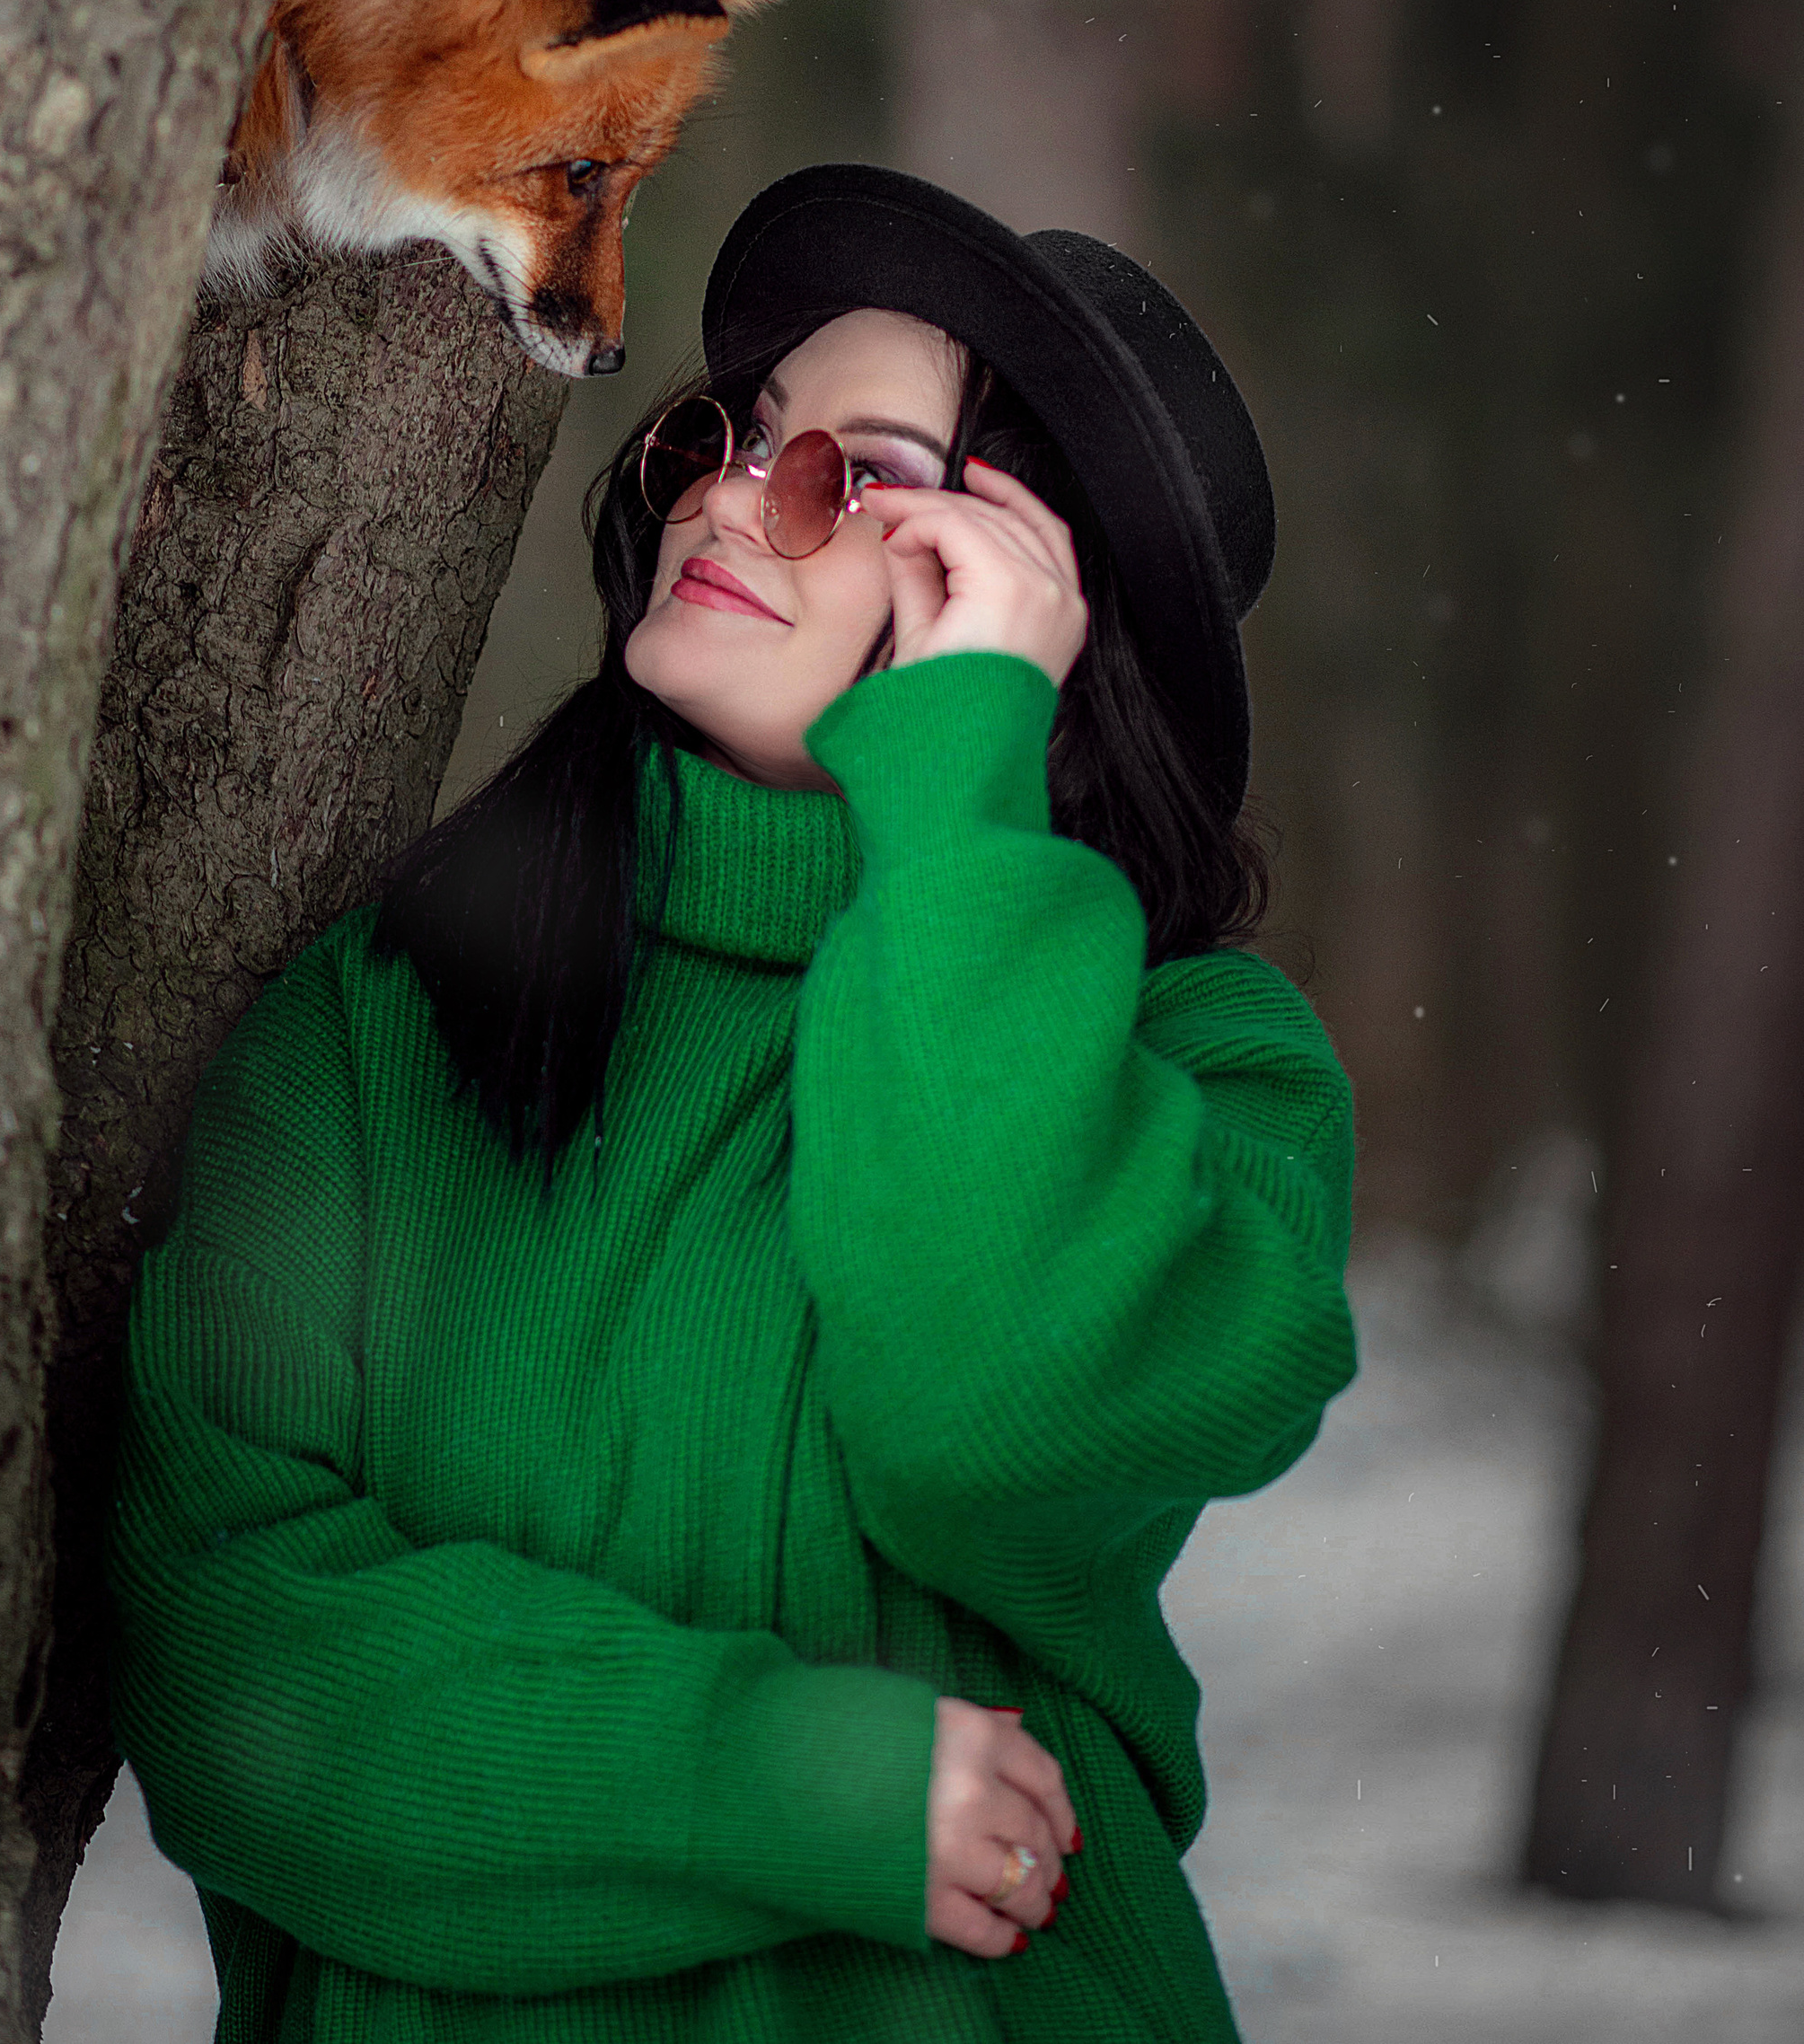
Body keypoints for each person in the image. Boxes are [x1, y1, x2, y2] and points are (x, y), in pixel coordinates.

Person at [109, 163, 1359, 2042]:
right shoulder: (392, 1012)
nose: (720, 486)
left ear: (1029, 615)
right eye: (735, 427)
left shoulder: (1197, 1073)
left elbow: (989, 1406)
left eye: (851, 474)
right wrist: (771, 1777)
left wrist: (951, 778)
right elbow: (223, 1661)